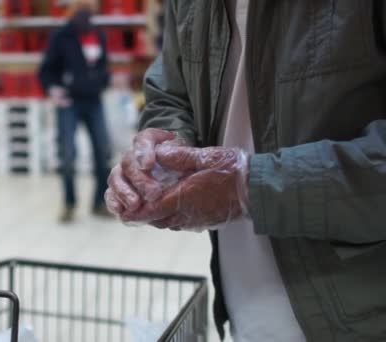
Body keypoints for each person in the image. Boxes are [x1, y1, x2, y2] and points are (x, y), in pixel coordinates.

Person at [106, 0, 386, 341]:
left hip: (360, 316)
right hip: (244, 308)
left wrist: (250, 186)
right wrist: (167, 146)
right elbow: (172, 93)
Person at [38, 0, 112, 223]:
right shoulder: (61, 36)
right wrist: (53, 89)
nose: (86, 12)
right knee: (68, 154)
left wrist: (103, 81)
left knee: (103, 152)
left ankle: (99, 202)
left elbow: (103, 65)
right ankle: (69, 203)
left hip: (94, 101)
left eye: (89, 8)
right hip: (69, 103)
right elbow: (46, 70)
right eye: (82, 7)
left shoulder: (98, 35)